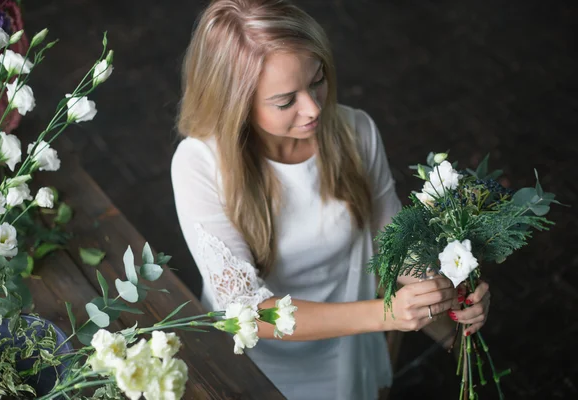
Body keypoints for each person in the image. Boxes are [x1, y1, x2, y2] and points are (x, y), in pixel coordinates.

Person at [171, 1, 491, 399]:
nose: (314, 108)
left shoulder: (355, 131)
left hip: (347, 346)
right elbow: (245, 313)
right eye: (285, 100)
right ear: (234, 104)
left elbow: (391, 245)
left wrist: (448, 292)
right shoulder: (198, 165)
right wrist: (386, 314)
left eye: (318, 79)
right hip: (254, 358)